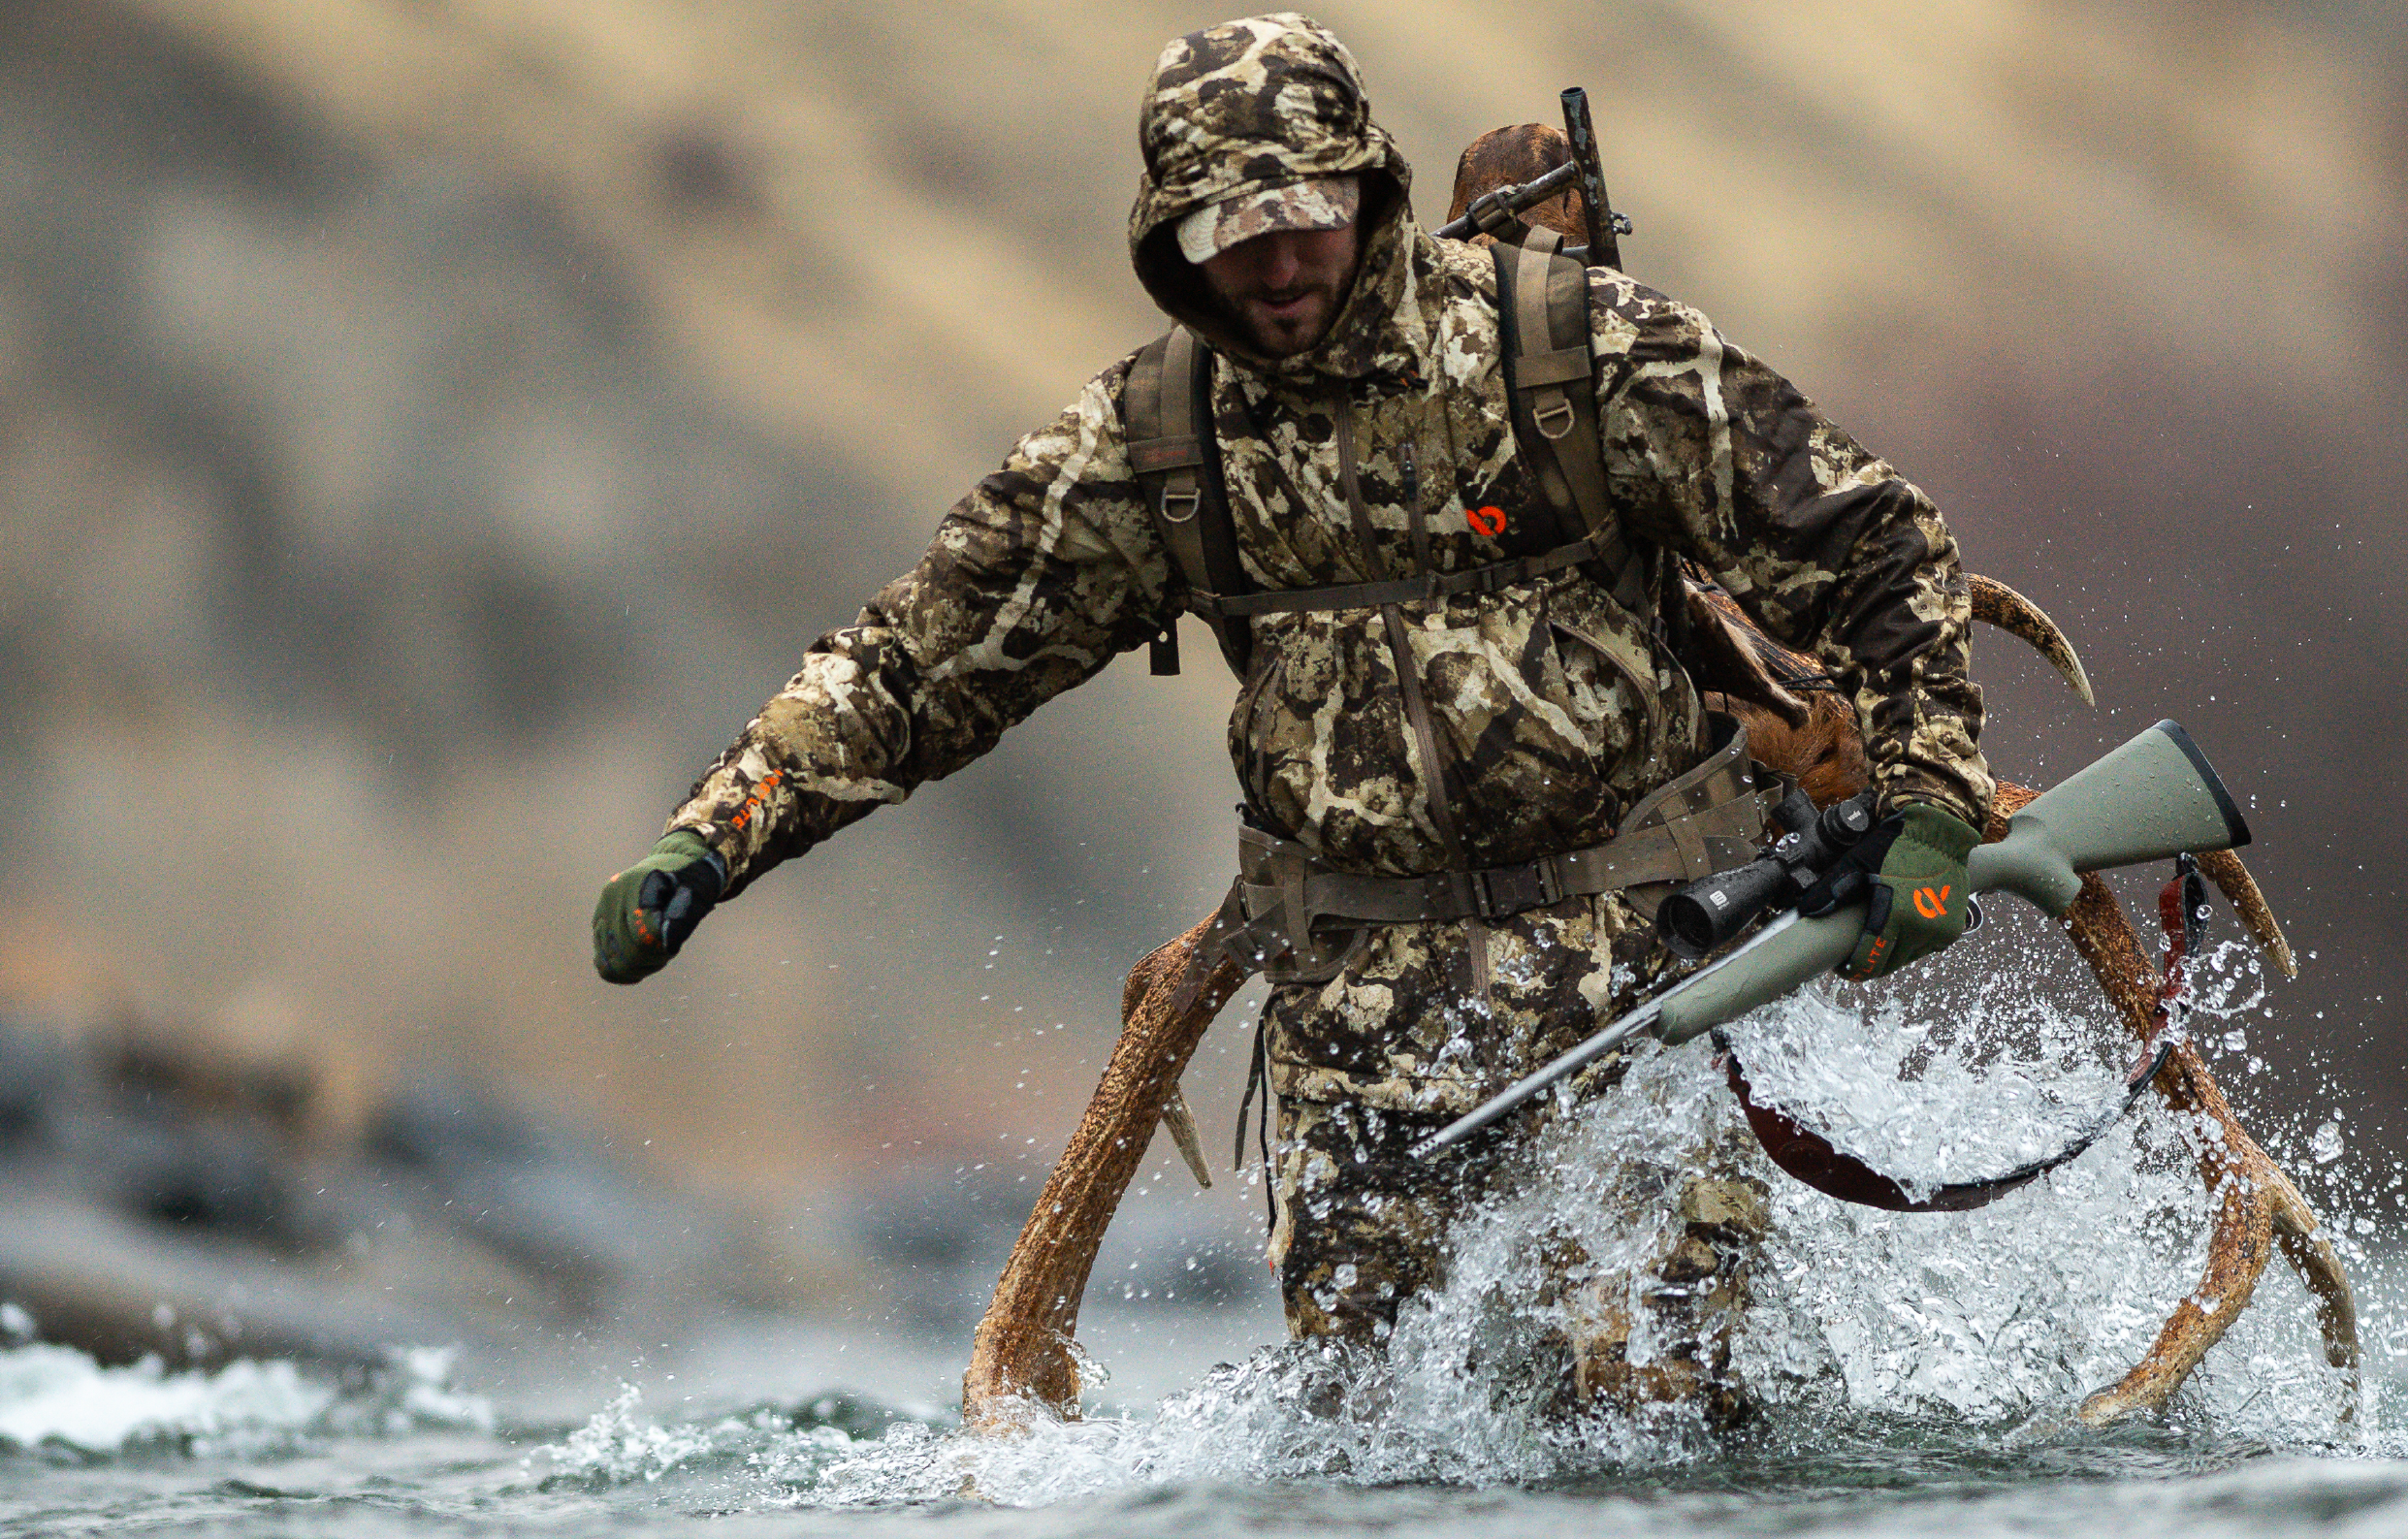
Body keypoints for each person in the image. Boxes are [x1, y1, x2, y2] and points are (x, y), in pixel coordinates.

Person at [590, 13, 2003, 1419]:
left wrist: (1932, 805)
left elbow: (1870, 548)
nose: (1273, 260)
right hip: (1353, 1040)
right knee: (1370, 1452)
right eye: (1224, 229)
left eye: (1303, 212)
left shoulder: (1571, 353)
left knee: (1664, 1416)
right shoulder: (1150, 445)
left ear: (1369, 190)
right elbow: (917, 665)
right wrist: (713, 839)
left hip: (1642, 987)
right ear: (1169, 244)